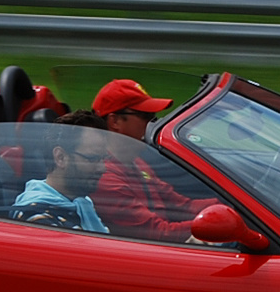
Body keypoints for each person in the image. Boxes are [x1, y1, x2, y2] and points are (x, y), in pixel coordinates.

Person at [88, 79, 218, 242]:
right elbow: (158, 233)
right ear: (115, 121)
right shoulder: (105, 178)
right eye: (146, 116)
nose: (153, 123)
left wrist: (227, 206)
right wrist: (214, 224)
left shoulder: (136, 162)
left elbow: (181, 206)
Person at [10, 122, 111, 233]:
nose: (102, 168)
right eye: (92, 159)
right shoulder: (37, 218)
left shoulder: (81, 203)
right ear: (60, 157)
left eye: (104, 158)